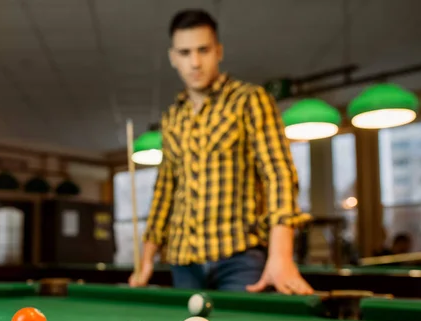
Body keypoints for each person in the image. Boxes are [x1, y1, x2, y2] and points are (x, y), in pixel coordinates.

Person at [128, 9, 313, 295]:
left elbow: (278, 174)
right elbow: (165, 191)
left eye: (203, 50)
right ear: (173, 57)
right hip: (183, 260)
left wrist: (281, 254)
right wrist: (147, 255)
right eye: (185, 52)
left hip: (239, 257)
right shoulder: (171, 118)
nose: (195, 62)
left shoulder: (250, 100)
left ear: (219, 51)